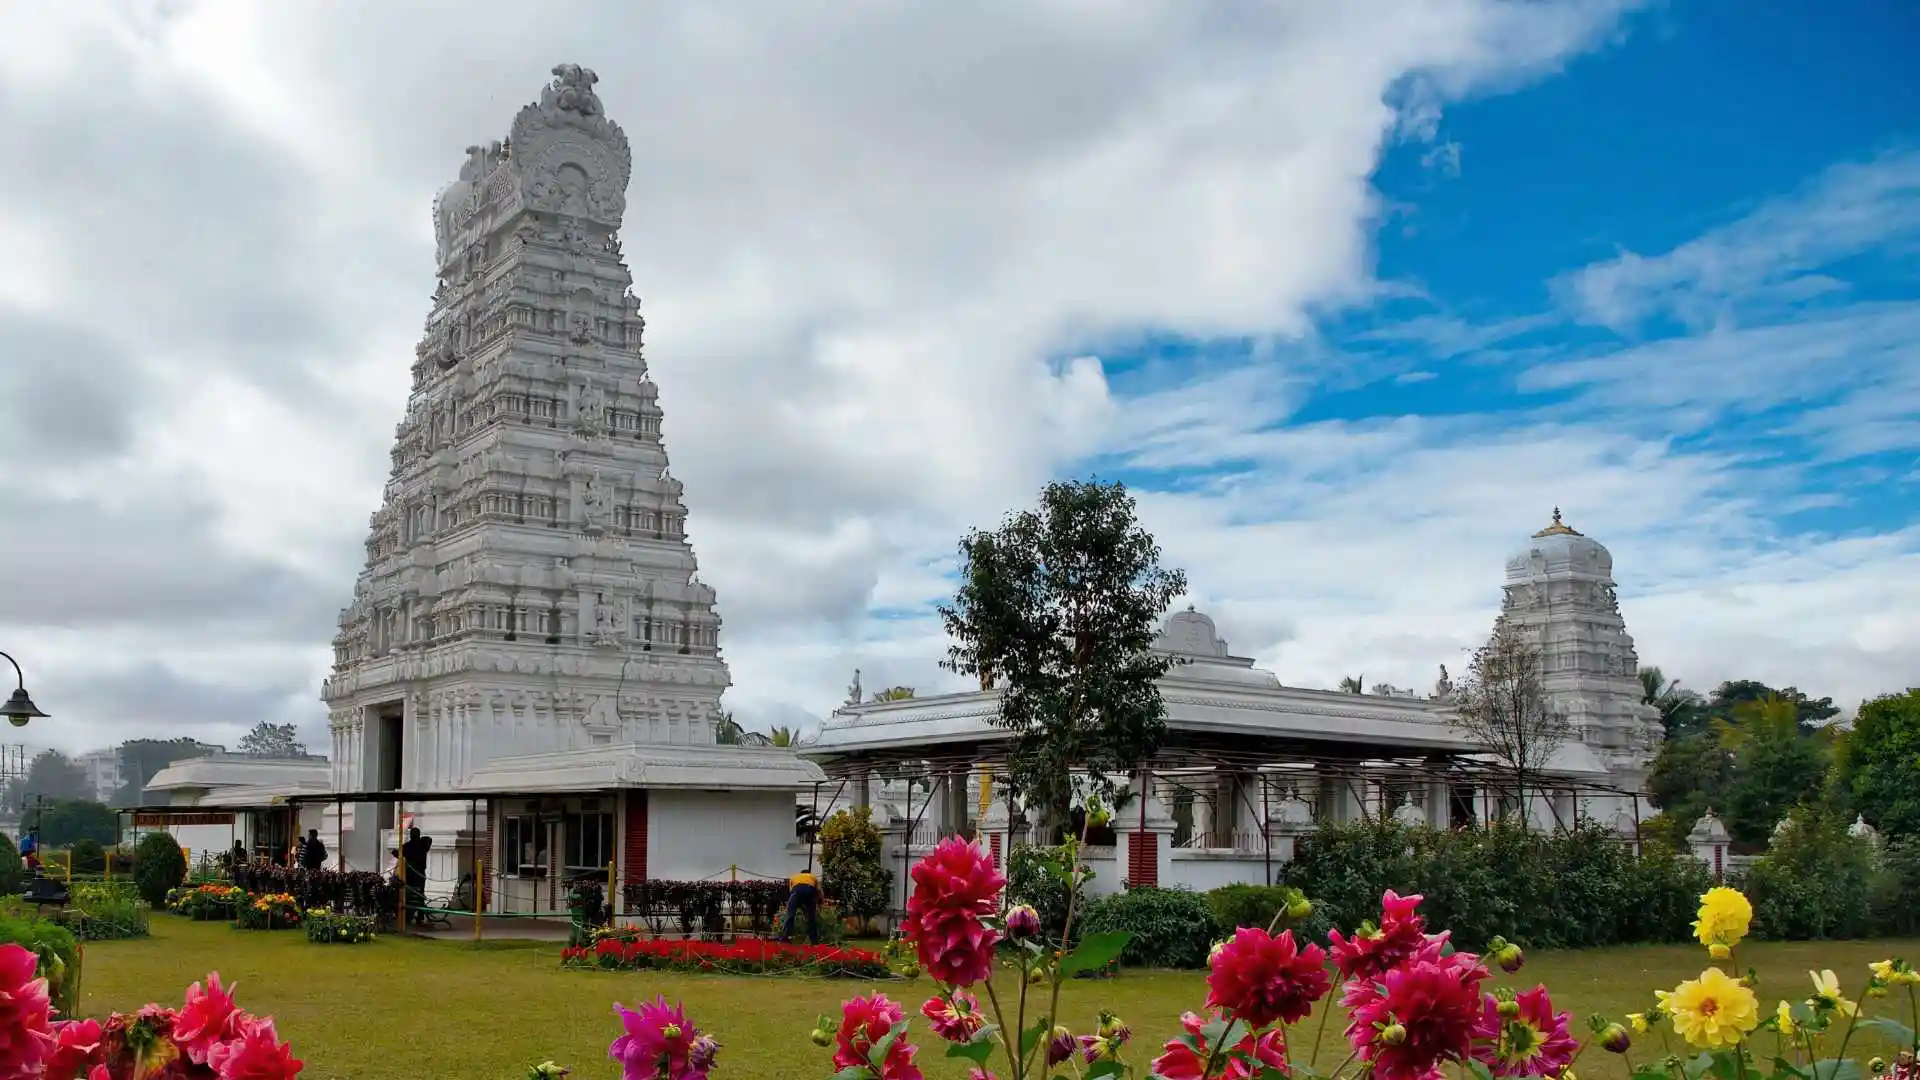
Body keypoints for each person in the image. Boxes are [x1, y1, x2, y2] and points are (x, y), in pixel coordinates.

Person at [777, 867, 821, 945]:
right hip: (809, 892)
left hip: (796, 893)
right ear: (808, 873)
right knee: (811, 918)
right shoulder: (813, 877)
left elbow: (791, 891)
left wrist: (798, 905)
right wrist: (816, 903)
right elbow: (818, 891)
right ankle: (814, 940)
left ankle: (784, 937)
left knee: (790, 915)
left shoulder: (794, 877)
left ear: (801, 873)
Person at [401, 827, 432, 926]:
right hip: (419, 874)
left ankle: (409, 916)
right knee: (420, 895)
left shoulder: (407, 846)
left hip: (410, 874)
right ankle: (419, 917)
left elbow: (397, 853)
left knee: (410, 895)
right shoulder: (423, 845)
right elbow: (429, 839)